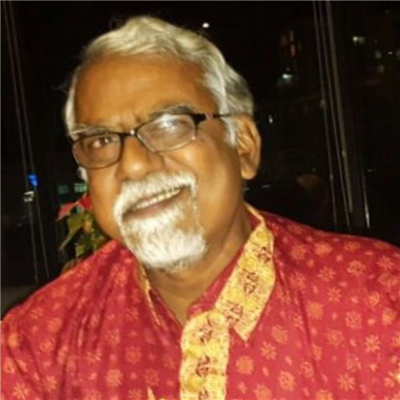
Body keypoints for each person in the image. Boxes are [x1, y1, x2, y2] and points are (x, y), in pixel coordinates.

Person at [1, 16, 399, 400]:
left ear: (243, 145)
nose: (133, 164)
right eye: (102, 140)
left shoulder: (377, 300)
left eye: (169, 124)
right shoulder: (38, 343)